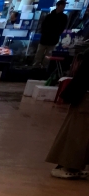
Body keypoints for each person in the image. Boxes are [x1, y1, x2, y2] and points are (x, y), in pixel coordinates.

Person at [47, 42, 89, 178]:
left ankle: (70, 165)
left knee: (79, 131)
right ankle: (67, 165)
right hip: (85, 96)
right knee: (78, 132)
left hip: (83, 94)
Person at [36, 0, 68, 71]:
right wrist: (44, 33)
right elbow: (43, 26)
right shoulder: (49, 16)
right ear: (58, 6)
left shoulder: (64, 17)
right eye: (62, 5)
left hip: (53, 39)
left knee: (48, 56)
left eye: (64, 6)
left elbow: (62, 28)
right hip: (44, 38)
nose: (63, 7)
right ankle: (36, 67)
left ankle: (44, 69)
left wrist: (56, 34)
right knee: (39, 53)